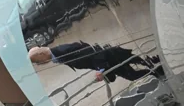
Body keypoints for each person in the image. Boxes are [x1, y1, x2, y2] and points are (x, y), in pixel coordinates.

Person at [28, 41, 163, 82]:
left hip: (110, 58)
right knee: (137, 63)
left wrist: (100, 69)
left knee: (132, 73)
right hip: (109, 59)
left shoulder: (62, 51)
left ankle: (159, 70)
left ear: (41, 54)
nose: (39, 64)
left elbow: (91, 52)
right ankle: (158, 68)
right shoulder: (59, 54)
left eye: (37, 61)